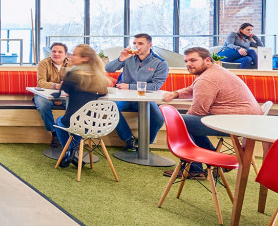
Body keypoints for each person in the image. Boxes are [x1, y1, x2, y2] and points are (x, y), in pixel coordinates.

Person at [162, 47, 262, 177]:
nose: (188, 64)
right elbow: (193, 89)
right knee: (188, 123)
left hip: (237, 123)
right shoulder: (214, 71)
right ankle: (214, 161)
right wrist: (175, 94)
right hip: (246, 120)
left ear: (207, 60)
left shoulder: (206, 79)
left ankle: (194, 168)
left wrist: (184, 122)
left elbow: (198, 112)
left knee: (179, 121)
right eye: (186, 61)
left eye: (193, 60)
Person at [105, 33, 169, 152]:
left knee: (159, 118)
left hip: (145, 98)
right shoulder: (128, 57)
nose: (136, 46)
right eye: (134, 43)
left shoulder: (160, 63)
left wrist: (129, 86)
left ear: (150, 45)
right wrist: (121, 58)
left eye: (140, 43)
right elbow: (108, 69)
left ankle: (145, 142)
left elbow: (155, 86)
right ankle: (128, 138)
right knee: (110, 108)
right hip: (124, 97)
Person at [54, 45, 110, 169]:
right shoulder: (99, 76)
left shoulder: (73, 75)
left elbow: (62, 91)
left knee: (60, 121)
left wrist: (68, 69)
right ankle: (71, 153)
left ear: (84, 58)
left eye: (74, 54)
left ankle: (69, 151)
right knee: (80, 123)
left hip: (75, 121)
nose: (71, 56)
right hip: (96, 123)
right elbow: (103, 92)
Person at [35, 42, 69, 148]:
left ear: (66, 54)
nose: (56, 54)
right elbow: (41, 82)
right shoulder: (43, 63)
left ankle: (69, 133)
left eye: (60, 52)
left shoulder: (72, 65)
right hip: (44, 94)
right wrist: (56, 86)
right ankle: (54, 133)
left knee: (75, 105)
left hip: (66, 95)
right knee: (43, 105)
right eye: (54, 51)